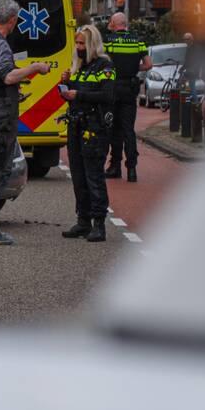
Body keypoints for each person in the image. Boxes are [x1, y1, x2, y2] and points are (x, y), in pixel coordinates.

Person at [0, 0, 52, 246]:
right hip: (0, 116)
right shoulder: (0, 45)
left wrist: (11, 93)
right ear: (13, 20)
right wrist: (34, 67)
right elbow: (7, 76)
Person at [59, 25, 116, 242]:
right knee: (78, 176)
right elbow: (77, 92)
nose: (78, 47)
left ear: (91, 44)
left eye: (82, 43)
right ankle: (83, 221)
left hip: (94, 128)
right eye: (77, 43)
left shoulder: (106, 65)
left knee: (94, 176)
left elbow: (108, 95)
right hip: (76, 126)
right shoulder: (79, 66)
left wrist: (78, 94)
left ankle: (99, 224)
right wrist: (66, 84)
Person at [103, 13, 151, 182]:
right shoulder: (138, 41)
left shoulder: (109, 41)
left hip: (113, 88)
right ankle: (132, 169)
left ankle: (115, 166)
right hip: (130, 89)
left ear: (114, 24)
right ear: (126, 24)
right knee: (128, 129)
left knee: (113, 129)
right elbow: (148, 64)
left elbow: (102, 63)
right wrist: (133, 67)